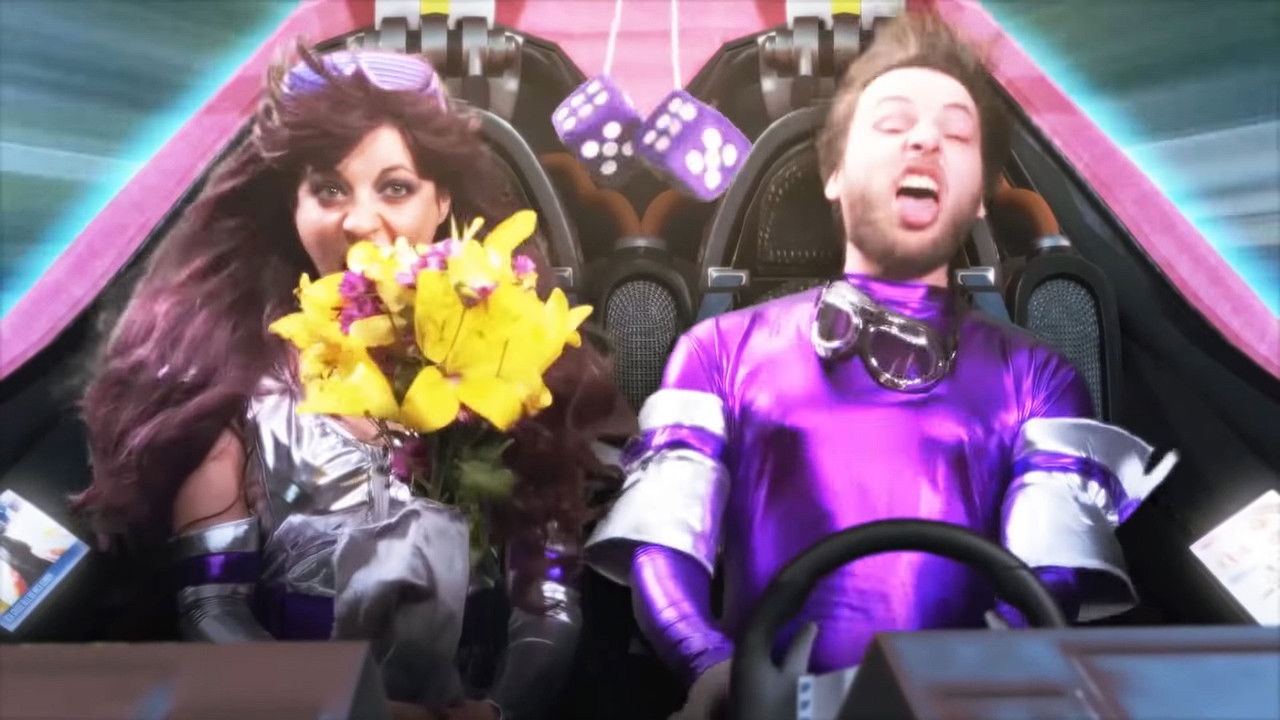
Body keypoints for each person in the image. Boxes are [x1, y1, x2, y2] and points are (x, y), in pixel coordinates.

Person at [584, 12, 1175, 719]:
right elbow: (663, 545)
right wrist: (708, 664)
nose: (924, 140)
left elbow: (1049, 578)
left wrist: (979, 692)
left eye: (956, 133)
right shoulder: (717, 351)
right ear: (833, 174)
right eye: (893, 124)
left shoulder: (1040, 379)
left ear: (980, 195)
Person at [76, 47, 632, 720]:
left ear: (442, 201)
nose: (361, 222)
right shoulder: (238, 388)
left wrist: (499, 710)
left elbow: (547, 599)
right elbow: (213, 610)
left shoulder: (512, 360)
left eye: (394, 188)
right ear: (293, 206)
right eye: (329, 190)